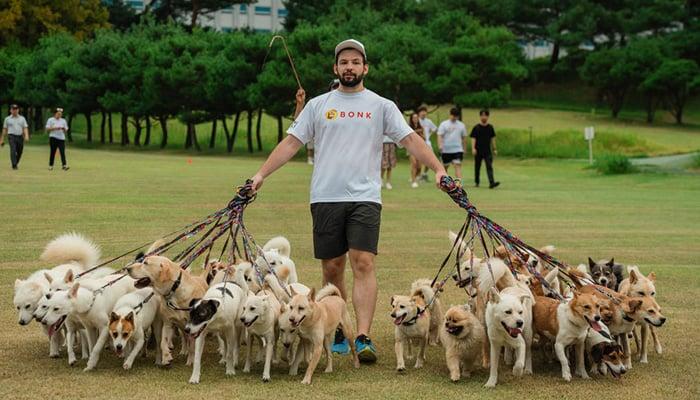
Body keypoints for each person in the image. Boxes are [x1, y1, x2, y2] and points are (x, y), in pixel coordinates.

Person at [249, 39, 446, 363]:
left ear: (365, 68)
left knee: (364, 262)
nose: (350, 67)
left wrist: (438, 169)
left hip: (365, 197)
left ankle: (365, 335)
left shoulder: (381, 105)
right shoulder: (317, 105)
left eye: (356, 62)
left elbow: (410, 139)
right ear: (336, 68)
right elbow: (290, 143)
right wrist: (260, 175)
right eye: (344, 62)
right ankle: (339, 327)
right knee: (332, 266)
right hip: (325, 196)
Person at [295, 79, 340, 165]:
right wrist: (300, 104)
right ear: (329, 90)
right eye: (335, 87)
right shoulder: (319, 106)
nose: (337, 90)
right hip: (324, 164)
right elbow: (298, 123)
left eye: (339, 87)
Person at [470, 109, 500, 188]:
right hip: (478, 150)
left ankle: (491, 182)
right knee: (477, 167)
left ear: (488, 116)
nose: (484, 117)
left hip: (487, 151)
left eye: (485, 115)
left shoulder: (490, 127)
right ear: (480, 116)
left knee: (489, 166)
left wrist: (494, 149)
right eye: (482, 115)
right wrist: (473, 148)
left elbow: (492, 139)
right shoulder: (476, 128)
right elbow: (473, 138)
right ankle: (477, 182)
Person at [437, 107, 467, 181]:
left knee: (457, 165)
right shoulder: (444, 124)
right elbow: (440, 135)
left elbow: (464, 138)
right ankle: (445, 183)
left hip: (457, 149)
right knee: (445, 167)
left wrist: (464, 149)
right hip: (446, 150)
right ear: (450, 115)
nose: (454, 117)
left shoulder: (461, 125)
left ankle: (459, 184)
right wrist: (440, 145)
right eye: (453, 115)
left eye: (456, 116)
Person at [1, 104, 30, 170]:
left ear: (18, 110)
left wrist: (26, 136)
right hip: (11, 136)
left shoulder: (22, 118)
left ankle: (15, 162)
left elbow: (25, 127)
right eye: (13, 109)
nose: (15, 111)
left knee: (20, 151)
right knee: (13, 150)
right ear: (11, 110)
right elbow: (5, 129)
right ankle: (14, 165)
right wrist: (2, 139)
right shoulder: (7, 119)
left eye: (16, 109)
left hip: (20, 136)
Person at [418, 105, 437, 182]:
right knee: (418, 161)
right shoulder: (417, 120)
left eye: (425, 111)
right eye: (422, 111)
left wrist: (429, 135)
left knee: (430, 160)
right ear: (419, 113)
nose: (423, 113)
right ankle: (416, 176)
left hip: (427, 143)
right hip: (418, 143)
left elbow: (435, 129)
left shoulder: (428, 121)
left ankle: (424, 174)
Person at [407, 112, 424, 188]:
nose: (415, 119)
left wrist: (421, 134)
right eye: (414, 118)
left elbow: (423, 137)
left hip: (419, 147)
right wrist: (417, 131)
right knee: (414, 164)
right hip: (411, 148)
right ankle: (413, 181)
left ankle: (415, 176)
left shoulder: (421, 127)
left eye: (416, 118)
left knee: (419, 166)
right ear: (411, 119)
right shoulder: (408, 127)